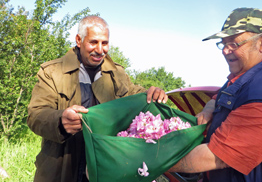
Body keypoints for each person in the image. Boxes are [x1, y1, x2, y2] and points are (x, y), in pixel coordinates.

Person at [27, 15, 168, 182]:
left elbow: (134, 95)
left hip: (104, 168)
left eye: (105, 43)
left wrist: (152, 93)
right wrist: (61, 120)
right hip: (62, 168)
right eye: (93, 42)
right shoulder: (52, 72)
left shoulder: (117, 74)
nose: (100, 50)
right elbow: (35, 115)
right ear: (79, 40)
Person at [169, 7, 262, 182]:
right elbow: (220, 96)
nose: (225, 50)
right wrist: (208, 109)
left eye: (234, 44)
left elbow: (216, 157)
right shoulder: (248, 74)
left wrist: (149, 161)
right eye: (223, 44)